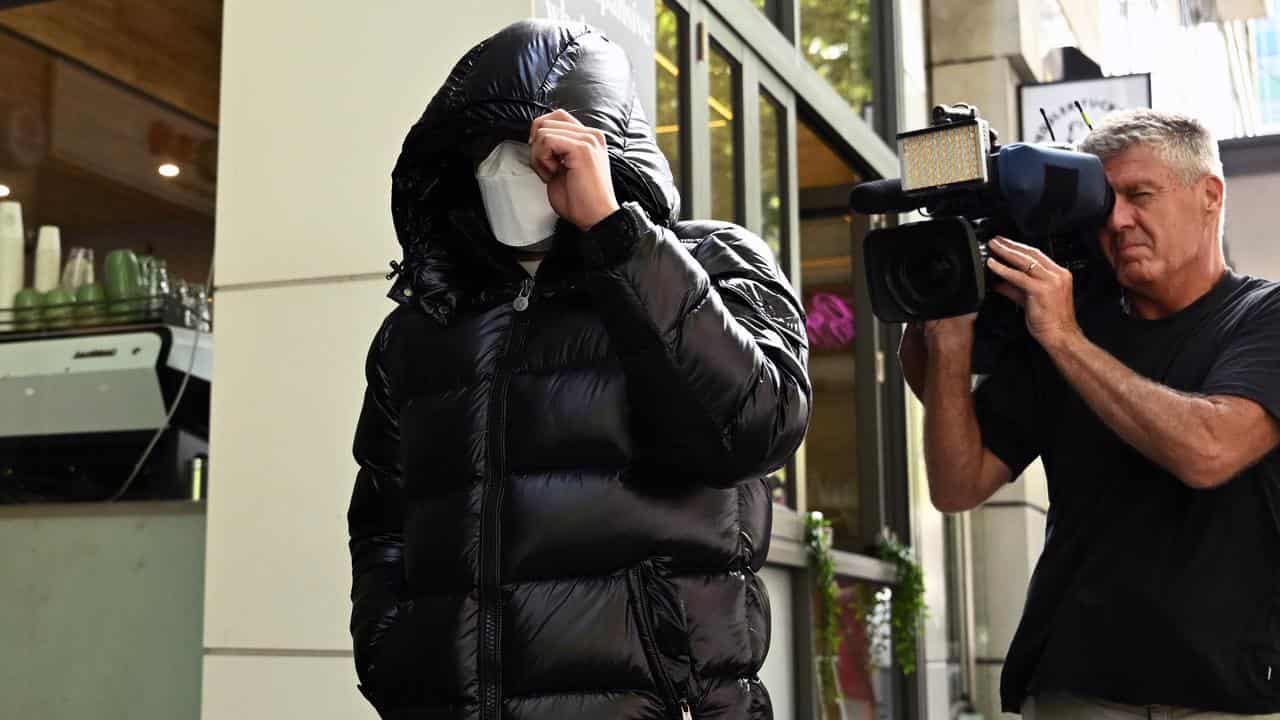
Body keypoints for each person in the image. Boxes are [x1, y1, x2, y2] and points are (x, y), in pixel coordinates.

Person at [347, 20, 811, 720]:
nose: (507, 169)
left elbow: (755, 427)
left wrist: (615, 235)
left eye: (537, 148)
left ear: (600, 146)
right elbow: (383, 522)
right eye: (483, 150)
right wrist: (393, 657)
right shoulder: (423, 324)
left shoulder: (710, 262)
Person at [900, 109, 1280, 718]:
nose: (1119, 220)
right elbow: (956, 483)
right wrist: (947, 337)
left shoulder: (1264, 318)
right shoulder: (1062, 326)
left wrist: (1065, 339)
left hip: (1227, 691)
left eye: (1141, 195)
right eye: (1106, 203)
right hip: (1074, 680)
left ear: (1210, 195)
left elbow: (1208, 451)